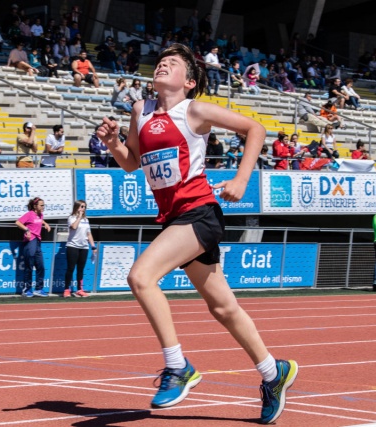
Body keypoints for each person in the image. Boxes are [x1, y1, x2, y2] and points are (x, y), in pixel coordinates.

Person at [96, 43, 297, 424]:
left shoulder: (194, 110)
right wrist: (113, 143)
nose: (162, 65)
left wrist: (241, 179)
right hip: (174, 217)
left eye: (172, 64)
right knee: (223, 307)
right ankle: (274, 373)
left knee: (141, 277)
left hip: (199, 213)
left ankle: (178, 367)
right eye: (160, 62)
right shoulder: (140, 110)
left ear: (189, 82)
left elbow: (255, 129)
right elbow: (131, 163)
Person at [15, 197, 51, 298]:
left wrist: (45, 223)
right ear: (35, 206)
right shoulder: (29, 214)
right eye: (41, 205)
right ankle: (27, 290)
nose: (43, 207)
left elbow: (40, 220)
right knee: (29, 266)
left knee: (41, 266)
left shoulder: (40, 215)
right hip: (30, 242)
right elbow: (18, 222)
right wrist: (27, 230)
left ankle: (38, 289)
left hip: (38, 242)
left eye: (44, 205)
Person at [64, 200, 96, 298]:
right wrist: (78, 217)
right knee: (71, 268)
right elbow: (73, 227)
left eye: (84, 207)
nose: (83, 208)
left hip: (84, 247)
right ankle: (66, 289)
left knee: (80, 269)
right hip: (73, 246)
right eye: (81, 206)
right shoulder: (71, 218)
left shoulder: (86, 220)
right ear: (77, 207)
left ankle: (80, 289)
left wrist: (93, 246)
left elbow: (89, 234)